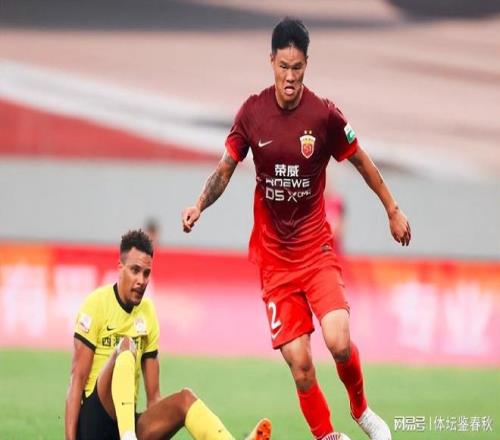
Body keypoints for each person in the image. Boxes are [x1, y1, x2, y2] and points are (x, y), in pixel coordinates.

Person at [182, 18, 411, 440]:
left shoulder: (323, 116)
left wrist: (392, 210)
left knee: (339, 341)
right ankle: (327, 436)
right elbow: (225, 168)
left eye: (298, 68)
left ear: (307, 64)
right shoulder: (252, 113)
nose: (290, 77)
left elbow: (361, 161)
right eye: (284, 66)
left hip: (314, 250)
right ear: (271, 61)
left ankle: (361, 411)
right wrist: (199, 205)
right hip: (274, 263)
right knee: (300, 363)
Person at [65, 229, 272, 440]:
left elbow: (154, 397)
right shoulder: (96, 304)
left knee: (185, 399)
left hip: (127, 425)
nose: (141, 280)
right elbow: (76, 381)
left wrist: (160, 426)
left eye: (146, 273)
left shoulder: (147, 313)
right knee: (126, 346)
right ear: (120, 268)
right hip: (95, 423)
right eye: (135, 270)